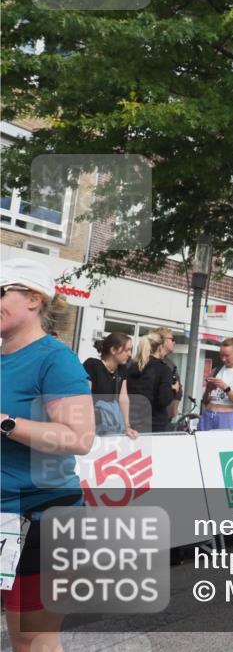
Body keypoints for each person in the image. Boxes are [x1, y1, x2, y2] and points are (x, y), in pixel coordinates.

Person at [1, 258, 95, 652]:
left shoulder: (55, 360)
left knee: (33, 637)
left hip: (43, 515)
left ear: (34, 299)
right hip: (6, 517)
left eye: (1, 292)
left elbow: (79, 437)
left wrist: (5, 422)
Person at [83, 332, 138, 438]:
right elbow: (85, 397)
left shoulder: (122, 369)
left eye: (131, 350)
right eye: (127, 350)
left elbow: (123, 398)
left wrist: (127, 427)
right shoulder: (92, 365)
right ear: (113, 350)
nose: (130, 354)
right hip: (92, 425)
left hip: (111, 426)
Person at [127, 328, 178, 432]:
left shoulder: (134, 366)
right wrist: (173, 390)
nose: (174, 342)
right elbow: (163, 400)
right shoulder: (163, 369)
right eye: (172, 339)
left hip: (132, 421)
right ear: (160, 346)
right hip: (154, 424)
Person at [199, 338, 233, 431]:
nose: (223, 359)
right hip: (209, 414)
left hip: (226, 417)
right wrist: (209, 389)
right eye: (221, 355)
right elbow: (205, 401)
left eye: (227, 356)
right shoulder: (216, 370)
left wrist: (225, 387)